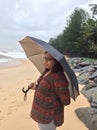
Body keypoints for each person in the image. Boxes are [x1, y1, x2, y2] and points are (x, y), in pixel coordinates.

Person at [28, 51, 71, 130]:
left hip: (48, 116)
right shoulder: (47, 71)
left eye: (49, 59)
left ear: (56, 62)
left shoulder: (58, 78)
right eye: (45, 58)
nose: (46, 61)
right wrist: (34, 86)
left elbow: (66, 101)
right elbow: (45, 88)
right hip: (40, 113)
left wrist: (53, 101)